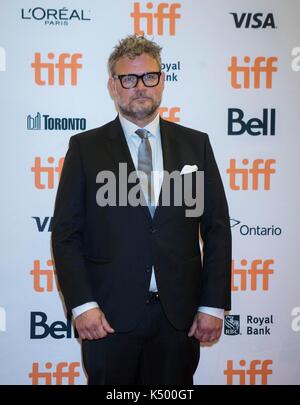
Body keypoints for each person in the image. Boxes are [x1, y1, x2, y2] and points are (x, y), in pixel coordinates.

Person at [51, 34, 232, 385]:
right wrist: (82, 305)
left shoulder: (196, 145)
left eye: (149, 76)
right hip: (107, 318)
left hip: (178, 318)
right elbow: (66, 234)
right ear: (113, 86)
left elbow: (217, 228)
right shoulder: (85, 148)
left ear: (162, 81)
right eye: (128, 79)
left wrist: (212, 305)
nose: (139, 87)